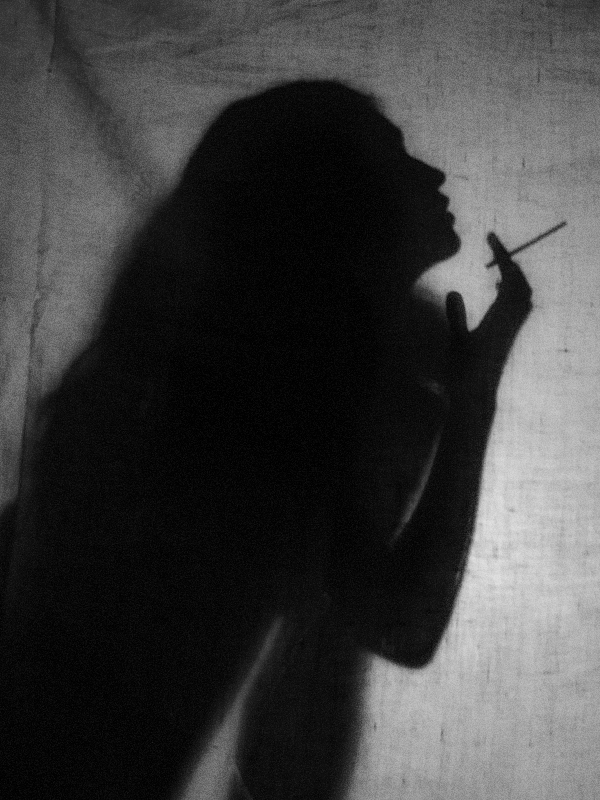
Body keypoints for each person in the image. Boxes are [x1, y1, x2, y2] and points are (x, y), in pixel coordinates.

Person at [0, 80, 532, 799]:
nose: (435, 175)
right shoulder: (248, 415)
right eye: (398, 159)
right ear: (338, 208)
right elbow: (399, 623)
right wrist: (471, 400)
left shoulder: (219, 388)